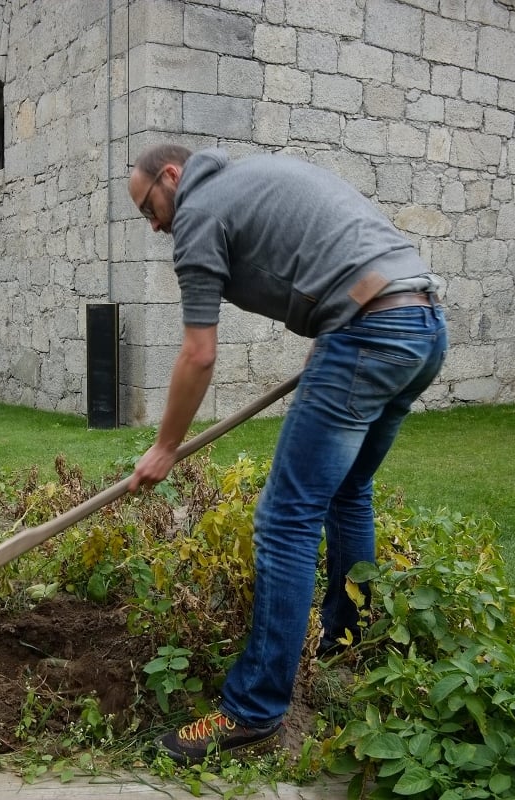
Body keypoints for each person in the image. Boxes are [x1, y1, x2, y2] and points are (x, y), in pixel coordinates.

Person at [126, 144, 448, 765]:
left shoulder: (198, 212)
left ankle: (252, 711)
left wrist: (166, 446)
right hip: (422, 326)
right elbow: (343, 250)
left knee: (284, 520)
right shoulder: (250, 177)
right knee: (348, 491)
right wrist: (335, 333)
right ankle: (349, 642)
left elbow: (198, 353)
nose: (155, 225)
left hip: (370, 332)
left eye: (149, 207)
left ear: (172, 177)